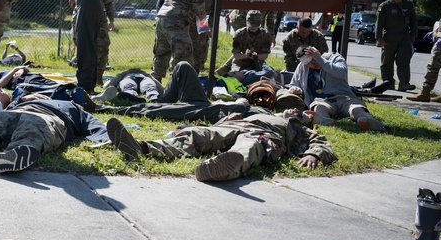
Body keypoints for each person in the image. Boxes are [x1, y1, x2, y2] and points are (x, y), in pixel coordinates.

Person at [107, 107, 333, 182]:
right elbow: (216, 127)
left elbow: (320, 143)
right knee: (196, 134)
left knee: (250, 146)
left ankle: (224, 168)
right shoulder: (259, 111)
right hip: (234, 126)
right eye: (291, 107)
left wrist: (314, 155)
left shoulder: (299, 128)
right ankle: (141, 147)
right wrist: (226, 120)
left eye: (299, 111)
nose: (293, 110)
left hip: (261, 135)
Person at [98, 61, 270, 122]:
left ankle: (136, 98)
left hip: (204, 107)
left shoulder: (146, 75)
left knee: (149, 89)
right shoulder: (126, 74)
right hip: (207, 105)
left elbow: (156, 85)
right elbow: (114, 80)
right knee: (183, 66)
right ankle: (130, 96)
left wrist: (233, 104)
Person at [290, 46, 388, 132]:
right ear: (305, 64)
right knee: (319, 108)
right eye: (309, 63)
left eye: (313, 59)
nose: (314, 63)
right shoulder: (302, 68)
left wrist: (321, 60)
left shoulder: (335, 58)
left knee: (356, 109)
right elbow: (294, 84)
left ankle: (367, 120)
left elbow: (341, 73)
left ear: (317, 52)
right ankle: (324, 119)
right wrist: (295, 88)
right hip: (323, 101)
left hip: (344, 97)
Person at [151, 0, 214, 81]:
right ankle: (177, 85)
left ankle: (155, 83)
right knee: (183, 55)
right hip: (177, 21)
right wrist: (205, 30)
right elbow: (199, 9)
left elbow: (162, 0)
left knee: (161, 53)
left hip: (162, 19)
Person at [216, 10, 281, 86]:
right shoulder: (239, 34)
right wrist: (246, 56)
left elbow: (264, 56)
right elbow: (236, 55)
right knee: (235, 79)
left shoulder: (265, 34)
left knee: (267, 76)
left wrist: (254, 57)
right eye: (251, 24)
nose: (253, 27)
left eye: (255, 24)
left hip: (257, 63)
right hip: (240, 63)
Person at [375, 0, 418, 91]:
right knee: (387, 61)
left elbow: (413, 21)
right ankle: (388, 83)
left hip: (404, 36)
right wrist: (379, 37)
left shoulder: (408, 5)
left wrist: (413, 34)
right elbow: (379, 23)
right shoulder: (385, 6)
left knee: (404, 61)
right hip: (389, 36)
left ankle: (404, 83)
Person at [190, 0, 219, 73]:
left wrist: (209, 27)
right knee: (185, 51)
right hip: (188, 23)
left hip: (202, 24)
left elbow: (214, 12)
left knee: (201, 52)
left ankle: (196, 75)